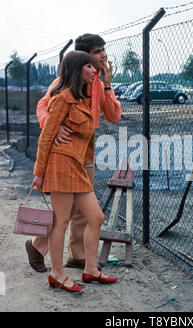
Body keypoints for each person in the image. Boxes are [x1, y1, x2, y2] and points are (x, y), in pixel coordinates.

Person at [26, 34, 122, 273]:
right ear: (83, 57)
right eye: (97, 52)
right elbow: (43, 106)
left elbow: (113, 115)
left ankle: (77, 256)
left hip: (85, 151)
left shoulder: (99, 84)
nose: (103, 56)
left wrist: (108, 86)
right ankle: (38, 246)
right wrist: (54, 126)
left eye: (103, 50)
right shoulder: (64, 82)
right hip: (66, 153)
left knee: (84, 211)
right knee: (65, 212)